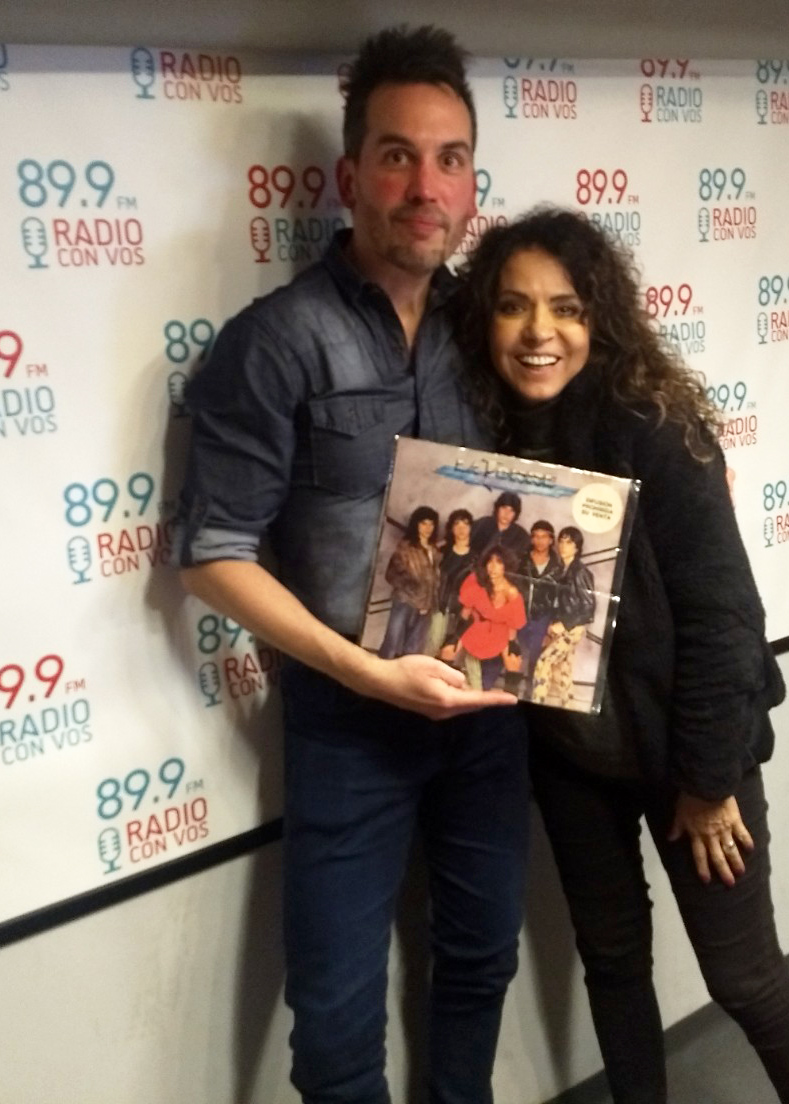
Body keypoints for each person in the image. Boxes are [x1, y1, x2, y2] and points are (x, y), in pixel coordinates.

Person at [173, 26, 529, 1104]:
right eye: (397, 156)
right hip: (348, 724)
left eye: (450, 159)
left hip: (489, 712)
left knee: (480, 963)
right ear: (350, 176)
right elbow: (212, 555)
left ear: (472, 184)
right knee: (332, 1031)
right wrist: (365, 672)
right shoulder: (277, 341)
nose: (426, 187)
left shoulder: (493, 329)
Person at [455, 208, 789, 1104]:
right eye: (513, 306)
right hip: (572, 759)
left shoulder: (654, 429)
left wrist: (706, 784)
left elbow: (725, 620)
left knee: (746, 979)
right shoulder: (479, 438)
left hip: (690, 758)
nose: (539, 331)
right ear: (485, 319)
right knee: (614, 963)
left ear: (602, 319)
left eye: (566, 308)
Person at [530, 524, 595, 708]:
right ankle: (568, 707)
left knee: (544, 662)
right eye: (561, 541)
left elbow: (589, 607)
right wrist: (551, 625)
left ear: (577, 547)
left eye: (569, 542)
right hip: (560, 625)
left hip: (572, 628)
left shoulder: (580, 572)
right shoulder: (561, 570)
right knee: (563, 671)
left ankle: (536, 704)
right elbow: (557, 602)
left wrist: (564, 624)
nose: (563, 546)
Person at [446, 544, 527, 692]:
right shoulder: (476, 581)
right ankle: (441, 691)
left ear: (506, 566)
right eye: (490, 561)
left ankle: (510, 699)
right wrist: (456, 636)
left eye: (499, 562)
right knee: (448, 649)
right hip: (475, 626)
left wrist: (512, 645)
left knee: (513, 661)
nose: (493, 567)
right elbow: (466, 612)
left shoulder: (512, 593)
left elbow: (513, 624)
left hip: (499, 631)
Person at [378, 504, 440, 658]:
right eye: (423, 523)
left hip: (426, 605)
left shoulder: (434, 550)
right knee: (392, 644)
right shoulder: (405, 548)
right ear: (416, 524)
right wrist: (411, 591)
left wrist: (428, 601)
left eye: (431, 524)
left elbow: (433, 579)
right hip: (405, 602)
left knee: (414, 650)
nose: (428, 528)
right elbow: (391, 575)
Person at [514, 519, 562, 688]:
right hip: (519, 614)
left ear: (551, 540)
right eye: (536, 536)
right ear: (531, 538)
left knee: (536, 657)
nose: (540, 540)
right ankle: (511, 691)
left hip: (542, 617)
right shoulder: (521, 560)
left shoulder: (558, 566)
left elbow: (559, 597)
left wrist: (552, 621)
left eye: (544, 537)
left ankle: (530, 693)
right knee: (516, 654)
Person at [425, 507, 476, 656]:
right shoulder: (442, 551)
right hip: (439, 605)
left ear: (471, 528)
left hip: (461, 610)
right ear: (451, 528)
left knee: (451, 651)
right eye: (457, 524)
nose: (461, 529)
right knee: (433, 643)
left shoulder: (476, 558)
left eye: (465, 524)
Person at [469, 490, 530, 557]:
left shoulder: (521, 536)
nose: (507, 513)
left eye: (512, 510)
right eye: (504, 508)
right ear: (497, 509)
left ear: (516, 514)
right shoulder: (482, 524)